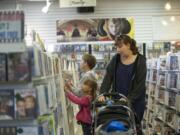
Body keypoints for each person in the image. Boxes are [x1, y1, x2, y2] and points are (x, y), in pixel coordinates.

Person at [98, 34, 147, 122]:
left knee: (133, 126)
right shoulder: (116, 59)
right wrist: (102, 93)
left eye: (120, 46)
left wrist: (128, 99)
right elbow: (108, 78)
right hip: (117, 101)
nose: (118, 50)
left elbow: (140, 85)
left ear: (128, 45)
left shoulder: (141, 61)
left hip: (135, 102)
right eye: (116, 47)